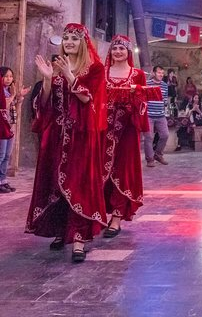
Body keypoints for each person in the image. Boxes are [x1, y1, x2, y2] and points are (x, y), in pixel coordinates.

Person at [25, 23, 108, 262]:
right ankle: (61, 230)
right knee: (55, 184)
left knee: (78, 184)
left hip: (80, 137)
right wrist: (49, 80)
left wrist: (70, 75)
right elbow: (45, 103)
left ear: (83, 42)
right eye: (66, 38)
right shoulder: (56, 66)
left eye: (74, 38)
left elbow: (86, 99)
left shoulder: (95, 69)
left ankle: (79, 238)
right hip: (55, 137)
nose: (69, 42)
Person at [103, 35, 160, 238]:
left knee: (122, 171)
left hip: (126, 131)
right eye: (115, 48)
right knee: (99, 171)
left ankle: (117, 218)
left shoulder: (137, 75)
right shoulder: (102, 73)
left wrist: (132, 100)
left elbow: (143, 103)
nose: (118, 51)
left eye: (122, 48)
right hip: (103, 131)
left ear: (128, 52)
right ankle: (100, 214)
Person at [0, 67, 30, 193]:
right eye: (6, 76)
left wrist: (20, 98)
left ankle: (3, 180)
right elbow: (4, 106)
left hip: (10, 127)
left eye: (11, 76)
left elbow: (15, 110)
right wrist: (13, 95)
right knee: (0, 155)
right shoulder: (2, 92)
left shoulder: (8, 91)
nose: (9, 79)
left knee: (7, 156)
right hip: (1, 127)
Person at [143, 66, 170, 167]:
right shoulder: (147, 84)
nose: (161, 75)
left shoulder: (164, 85)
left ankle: (158, 154)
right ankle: (150, 159)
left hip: (160, 115)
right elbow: (143, 98)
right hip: (148, 115)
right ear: (153, 73)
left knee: (165, 135)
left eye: (162, 73)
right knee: (149, 137)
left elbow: (165, 100)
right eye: (159, 73)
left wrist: (166, 108)